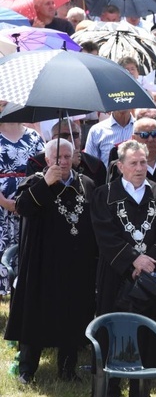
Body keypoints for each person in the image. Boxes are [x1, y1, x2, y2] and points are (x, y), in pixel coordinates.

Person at [91, 140, 156, 397]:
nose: (140, 168)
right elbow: (104, 235)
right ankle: (109, 392)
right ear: (120, 166)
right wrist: (132, 260)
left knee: (149, 334)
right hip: (116, 276)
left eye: (143, 162)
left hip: (151, 278)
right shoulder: (104, 195)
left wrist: (148, 261)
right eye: (134, 163)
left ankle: (141, 393)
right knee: (112, 332)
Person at [5, 139, 97, 384]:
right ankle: (27, 369)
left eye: (68, 157)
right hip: (42, 262)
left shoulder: (85, 184)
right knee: (35, 315)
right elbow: (22, 207)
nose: (64, 162)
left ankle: (67, 369)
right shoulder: (35, 182)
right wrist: (46, 183)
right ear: (47, 161)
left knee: (72, 314)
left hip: (75, 262)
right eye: (58, 158)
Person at [25, 118, 107, 186]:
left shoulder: (95, 165)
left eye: (74, 135)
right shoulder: (36, 163)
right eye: (63, 136)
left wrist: (75, 167)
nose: (70, 139)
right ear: (53, 138)